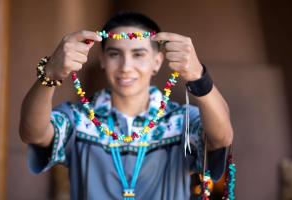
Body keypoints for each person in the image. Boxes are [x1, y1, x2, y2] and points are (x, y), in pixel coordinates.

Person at [19, 11, 233, 200]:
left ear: (157, 61)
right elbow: (33, 134)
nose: (126, 67)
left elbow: (221, 137)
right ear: (102, 59)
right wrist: (49, 75)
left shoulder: (181, 121)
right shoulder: (80, 118)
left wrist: (198, 76)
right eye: (115, 54)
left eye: (138, 54)